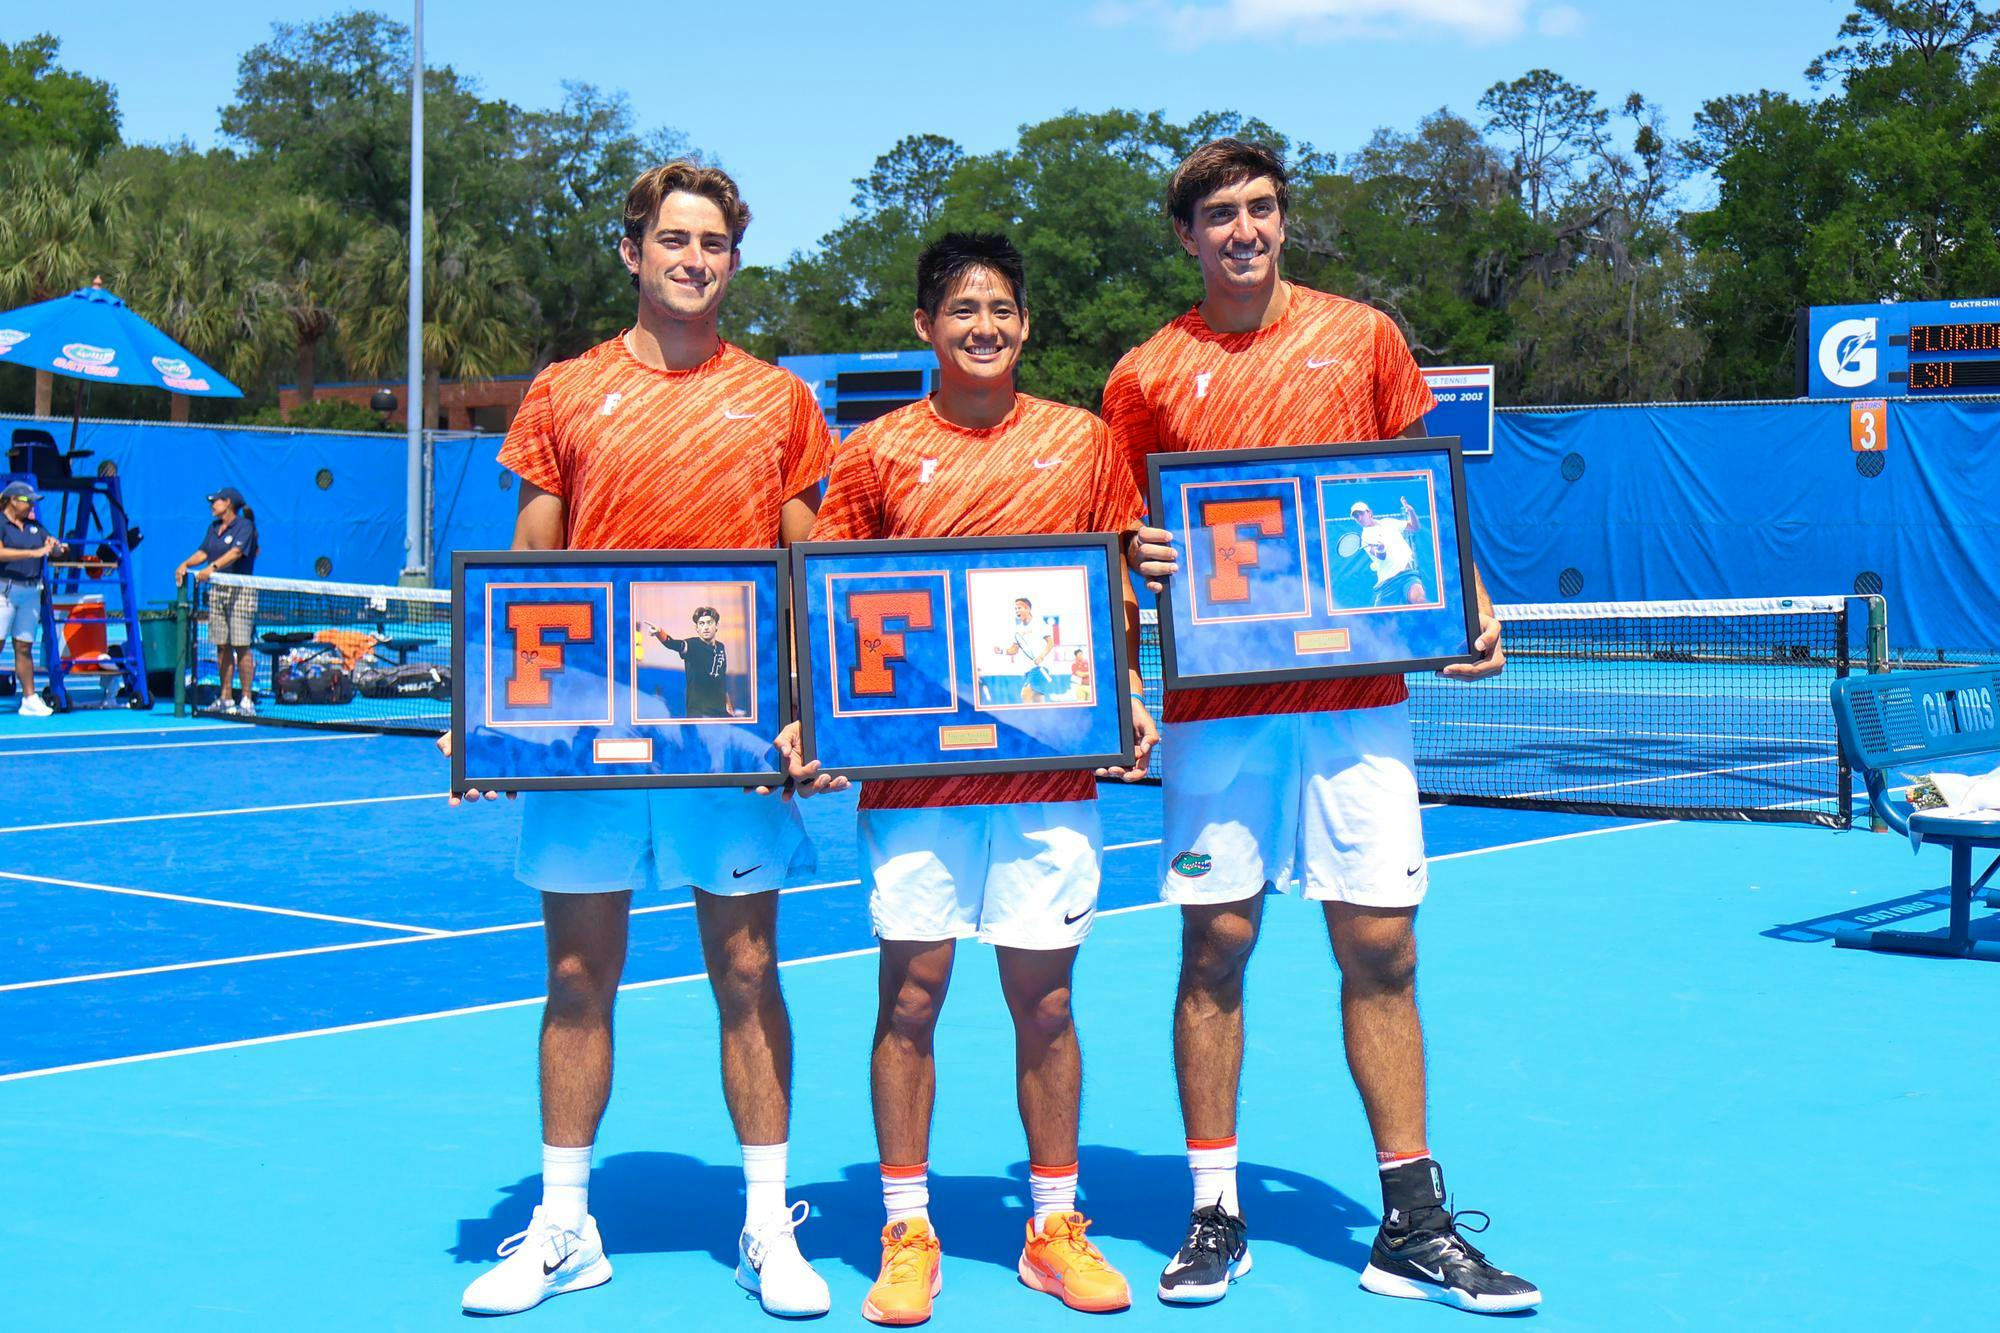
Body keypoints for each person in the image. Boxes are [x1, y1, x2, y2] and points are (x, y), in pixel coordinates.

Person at [1105, 139, 1537, 1314]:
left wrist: (1475, 598)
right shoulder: (1143, 375)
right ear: (1185, 236)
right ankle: (1212, 1212)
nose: (1242, 229)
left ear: (1281, 221)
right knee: (1214, 949)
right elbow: (1116, 540)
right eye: (1218, 215)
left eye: (1260, 208)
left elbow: (1416, 491)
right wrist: (1131, 562)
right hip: (1217, 714)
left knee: (1383, 951)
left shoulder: (1363, 337)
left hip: (1354, 709)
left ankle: (1410, 1221)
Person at [451, 162, 837, 1319]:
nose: (692, 257)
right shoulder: (564, 392)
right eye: (673, 238)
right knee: (575, 976)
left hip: (727, 723)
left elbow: (802, 570)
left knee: (748, 971)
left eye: (713, 242)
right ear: (632, 252)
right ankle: (566, 1224)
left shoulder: (778, 400)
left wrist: (811, 707)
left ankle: (768, 1225)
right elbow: (529, 573)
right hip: (589, 731)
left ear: (732, 259)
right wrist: (494, 718)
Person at [796, 232, 1156, 1324]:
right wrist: (818, 723)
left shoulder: (1085, 443)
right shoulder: (871, 455)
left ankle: (1053, 1225)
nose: (983, 325)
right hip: (912, 787)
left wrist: (1128, 694)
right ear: (924, 326)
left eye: (1000, 307)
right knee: (910, 996)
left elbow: (1116, 589)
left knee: (1044, 1000)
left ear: (1025, 322)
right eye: (961, 309)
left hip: (1047, 776)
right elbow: (830, 606)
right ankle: (905, 1225)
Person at [173, 487, 259, 716]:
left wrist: (211, 568)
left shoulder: (245, 527)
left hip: (240, 591)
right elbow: (203, 552)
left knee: (241, 646)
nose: (212, 505)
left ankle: (247, 700)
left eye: (215, 501)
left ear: (228, 503)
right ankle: (226, 697)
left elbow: (235, 553)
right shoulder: (213, 529)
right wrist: (186, 564)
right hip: (217, 591)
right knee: (222, 646)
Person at [0, 481, 58, 717]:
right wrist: (33, 553)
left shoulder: (35, 526)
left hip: (31, 592)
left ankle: (29, 698)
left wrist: (55, 547)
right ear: (13, 500)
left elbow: (52, 547)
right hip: (4, 591)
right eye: (27, 500)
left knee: (24, 646)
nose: (31, 505)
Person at [641, 606, 736, 717]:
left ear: (716, 626)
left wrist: (729, 706)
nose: (705, 627)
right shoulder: (693, 645)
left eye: (709, 623)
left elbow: (721, 679)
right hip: (700, 713)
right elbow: (674, 644)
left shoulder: (720, 647)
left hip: (721, 712)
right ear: (697, 628)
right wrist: (659, 632)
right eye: (701, 623)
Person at [1351, 499, 1427, 606]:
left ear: (1369, 512)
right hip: (1388, 582)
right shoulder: (1365, 537)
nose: (1359, 518)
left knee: (1419, 600)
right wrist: (1381, 549)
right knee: (1379, 619)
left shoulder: (1388, 522)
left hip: (1408, 575)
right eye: (1356, 516)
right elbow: (1381, 556)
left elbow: (1415, 527)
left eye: (1361, 513)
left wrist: (1411, 512)